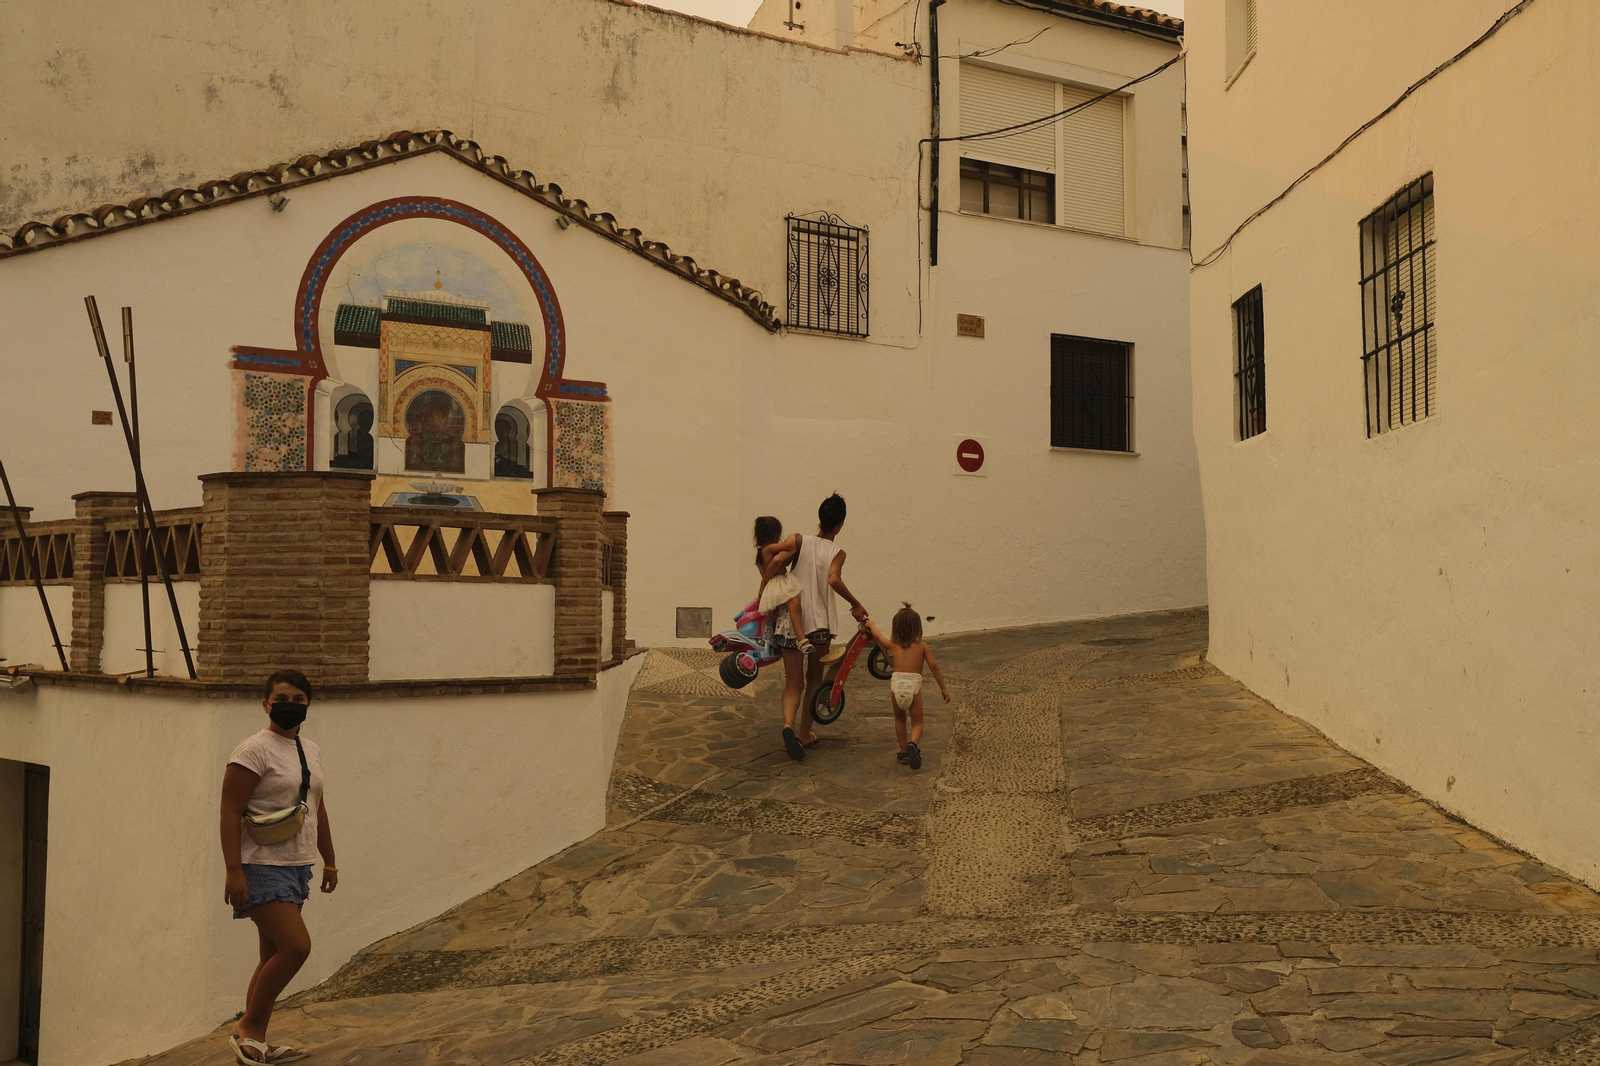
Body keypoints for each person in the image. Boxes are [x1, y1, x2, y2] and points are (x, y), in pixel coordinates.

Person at [220, 670, 337, 1065]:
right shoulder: (253, 750)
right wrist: (233, 870)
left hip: (296, 865)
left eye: (299, 699)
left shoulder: (311, 750)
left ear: (308, 704)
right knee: (296, 947)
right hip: (259, 865)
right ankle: (249, 1027)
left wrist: (330, 862)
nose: (290, 704)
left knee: (271, 954)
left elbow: (316, 809)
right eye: (282, 697)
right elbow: (229, 810)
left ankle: (254, 1044)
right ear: (266, 703)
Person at [777, 492, 867, 761]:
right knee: (815, 680)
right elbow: (833, 578)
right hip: (818, 628)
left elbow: (777, 563)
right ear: (840, 525)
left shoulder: (800, 541)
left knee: (793, 683)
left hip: (790, 624)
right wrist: (855, 603)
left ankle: (787, 726)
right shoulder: (837, 552)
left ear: (819, 519)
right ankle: (804, 735)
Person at [864, 603, 950, 770]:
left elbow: (878, 637)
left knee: (899, 719)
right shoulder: (922, 646)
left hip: (896, 685)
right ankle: (913, 743)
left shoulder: (893, 645)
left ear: (896, 628)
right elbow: (933, 666)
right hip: (913, 687)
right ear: (917, 627)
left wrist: (870, 624)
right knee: (917, 722)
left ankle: (904, 752)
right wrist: (943, 688)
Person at [753, 516, 811, 655]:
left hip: (776, 583)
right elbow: (790, 545)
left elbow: (784, 559)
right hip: (778, 582)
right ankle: (801, 639)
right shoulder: (769, 548)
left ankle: (796, 638)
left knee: (793, 606)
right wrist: (793, 535)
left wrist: (789, 552)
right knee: (794, 604)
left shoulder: (765, 550)